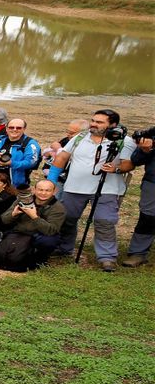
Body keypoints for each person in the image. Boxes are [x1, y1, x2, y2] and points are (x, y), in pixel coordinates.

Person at [52, 109, 135, 271]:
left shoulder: (125, 141)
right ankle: (63, 248)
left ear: (113, 125)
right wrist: (51, 181)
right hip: (74, 187)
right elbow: (62, 157)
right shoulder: (80, 137)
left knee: (105, 221)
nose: (93, 124)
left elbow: (129, 164)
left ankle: (107, 257)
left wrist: (116, 168)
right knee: (67, 218)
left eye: (99, 122)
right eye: (93, 120)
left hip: (108, 189)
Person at [0, 180, 67, 271]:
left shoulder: (58, 208)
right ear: (34, 190)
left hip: (38, 235)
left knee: (48, 242)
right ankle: (14, 253)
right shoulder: (23, 199)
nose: (43, 193)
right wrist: (14, 214)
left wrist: (34, 216)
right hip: (19, 233)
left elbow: (51, 230)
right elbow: (4, 219)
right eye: (40, 190)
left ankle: (39, 259)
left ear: (54, 192)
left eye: (47, 190)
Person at [0, 118, 41, 190]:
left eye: (18, 128)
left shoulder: (30, 144)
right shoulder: (0, 139)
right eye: (11, 127)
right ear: (6, 129)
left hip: (14, 185)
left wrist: (11, 163)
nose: (14, 130)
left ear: (24, 129)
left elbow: (31, 162)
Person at [125, 130, 155, 268]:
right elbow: (136, 160)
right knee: (148, 217)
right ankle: (138, 252)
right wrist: (145, 149)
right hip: (153, 182)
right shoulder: (151, 133)